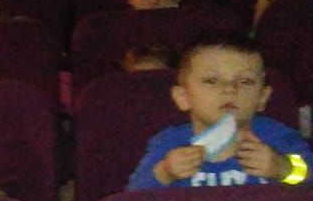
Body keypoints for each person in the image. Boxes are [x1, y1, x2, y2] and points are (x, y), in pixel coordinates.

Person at [127, 33, 310, 189]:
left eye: (245, 81)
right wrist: (165, 172)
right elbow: (133, 195)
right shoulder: (168, 143)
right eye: (211, 81)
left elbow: (309, 177)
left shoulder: (277, 137)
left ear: (262, 97)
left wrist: (283, 168)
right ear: (183, 97)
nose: (229, 89)